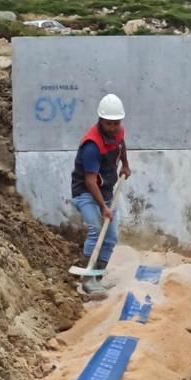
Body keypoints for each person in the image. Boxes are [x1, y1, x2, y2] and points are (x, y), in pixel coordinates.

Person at [70, 93, 131, 295]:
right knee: (96, 228)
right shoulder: (92, 146)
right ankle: (87, 279)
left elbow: (122, 146)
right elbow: (90, 181)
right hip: (85, 192)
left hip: (104, 191)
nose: (113, 128)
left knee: (111, 236)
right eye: (108, 124)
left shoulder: (118, 132)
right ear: (100, 120)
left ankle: (97, 276)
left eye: (116, 123)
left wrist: (126, 165)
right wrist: (104, 207)